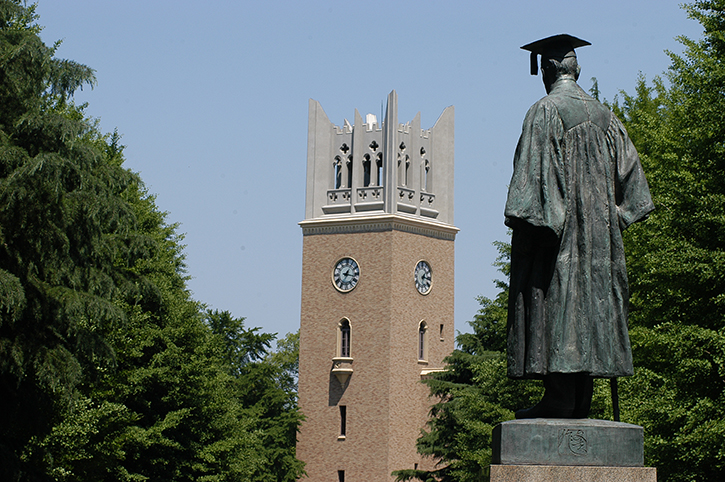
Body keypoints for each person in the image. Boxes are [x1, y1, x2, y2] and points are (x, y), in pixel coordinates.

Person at [505, 34, 654, 419]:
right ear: (576, 67)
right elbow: (637, 196)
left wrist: (537, 230)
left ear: (550, 69)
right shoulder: (607, 117)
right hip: (601, 246)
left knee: (561, 304)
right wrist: (609, 222)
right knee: (589, 311)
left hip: (560, 243)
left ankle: (558, 397)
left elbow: (531, 197)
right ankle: (578, 401)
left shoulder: (545, 111)